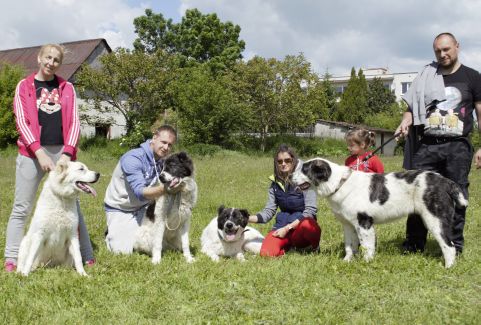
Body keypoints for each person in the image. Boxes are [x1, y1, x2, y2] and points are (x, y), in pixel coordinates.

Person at [4, 44, 95, 272]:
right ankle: (12, 258)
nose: (51, 62)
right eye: (48, 57)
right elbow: (22, 121)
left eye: (56, 60)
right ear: (39, 58)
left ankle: (86, 255)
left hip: (61, 152)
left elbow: (74, 121)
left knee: (72, 204)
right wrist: (39, 152)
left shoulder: (67, 88)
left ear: (59, 64)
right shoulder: (24, 86)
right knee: (21, 207)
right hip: (31, 153)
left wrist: (67, 153)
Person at [396, 32, 481, 254]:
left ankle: (454, 244)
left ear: (457, 47)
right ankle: (414, 244)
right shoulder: (427, 75)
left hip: (458, 147)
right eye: (438, 51)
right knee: (417, 193)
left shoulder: (472, 77)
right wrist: (405, 122)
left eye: (446, 49)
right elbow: (411, 108)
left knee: (456, 194)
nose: (442, 54)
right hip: (427, 146)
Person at [104, 125, 181, 254]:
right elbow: (140, 193)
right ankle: (111, 232)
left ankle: (133, 229)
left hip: (144, 208)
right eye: (163, 142)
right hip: (121, 208)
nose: (166, 147)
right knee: (122, 251)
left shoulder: (163, 161)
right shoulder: (133, 158)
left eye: (170, 145)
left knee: (162, 245)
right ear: (154, 137)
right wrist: (167, 189)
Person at [248, 144, 321, 257]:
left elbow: (310, 211)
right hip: (281, 226)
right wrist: (245, 218)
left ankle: (313, 247)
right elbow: (268, 212)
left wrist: (288, 228)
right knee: (266, 253)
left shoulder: (305, 180)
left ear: (294, 160)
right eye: (280, 161)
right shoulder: (274, 184)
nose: (283, 164)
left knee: (308, 224)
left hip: (299, 227)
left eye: (287, 160)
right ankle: (286, 248)